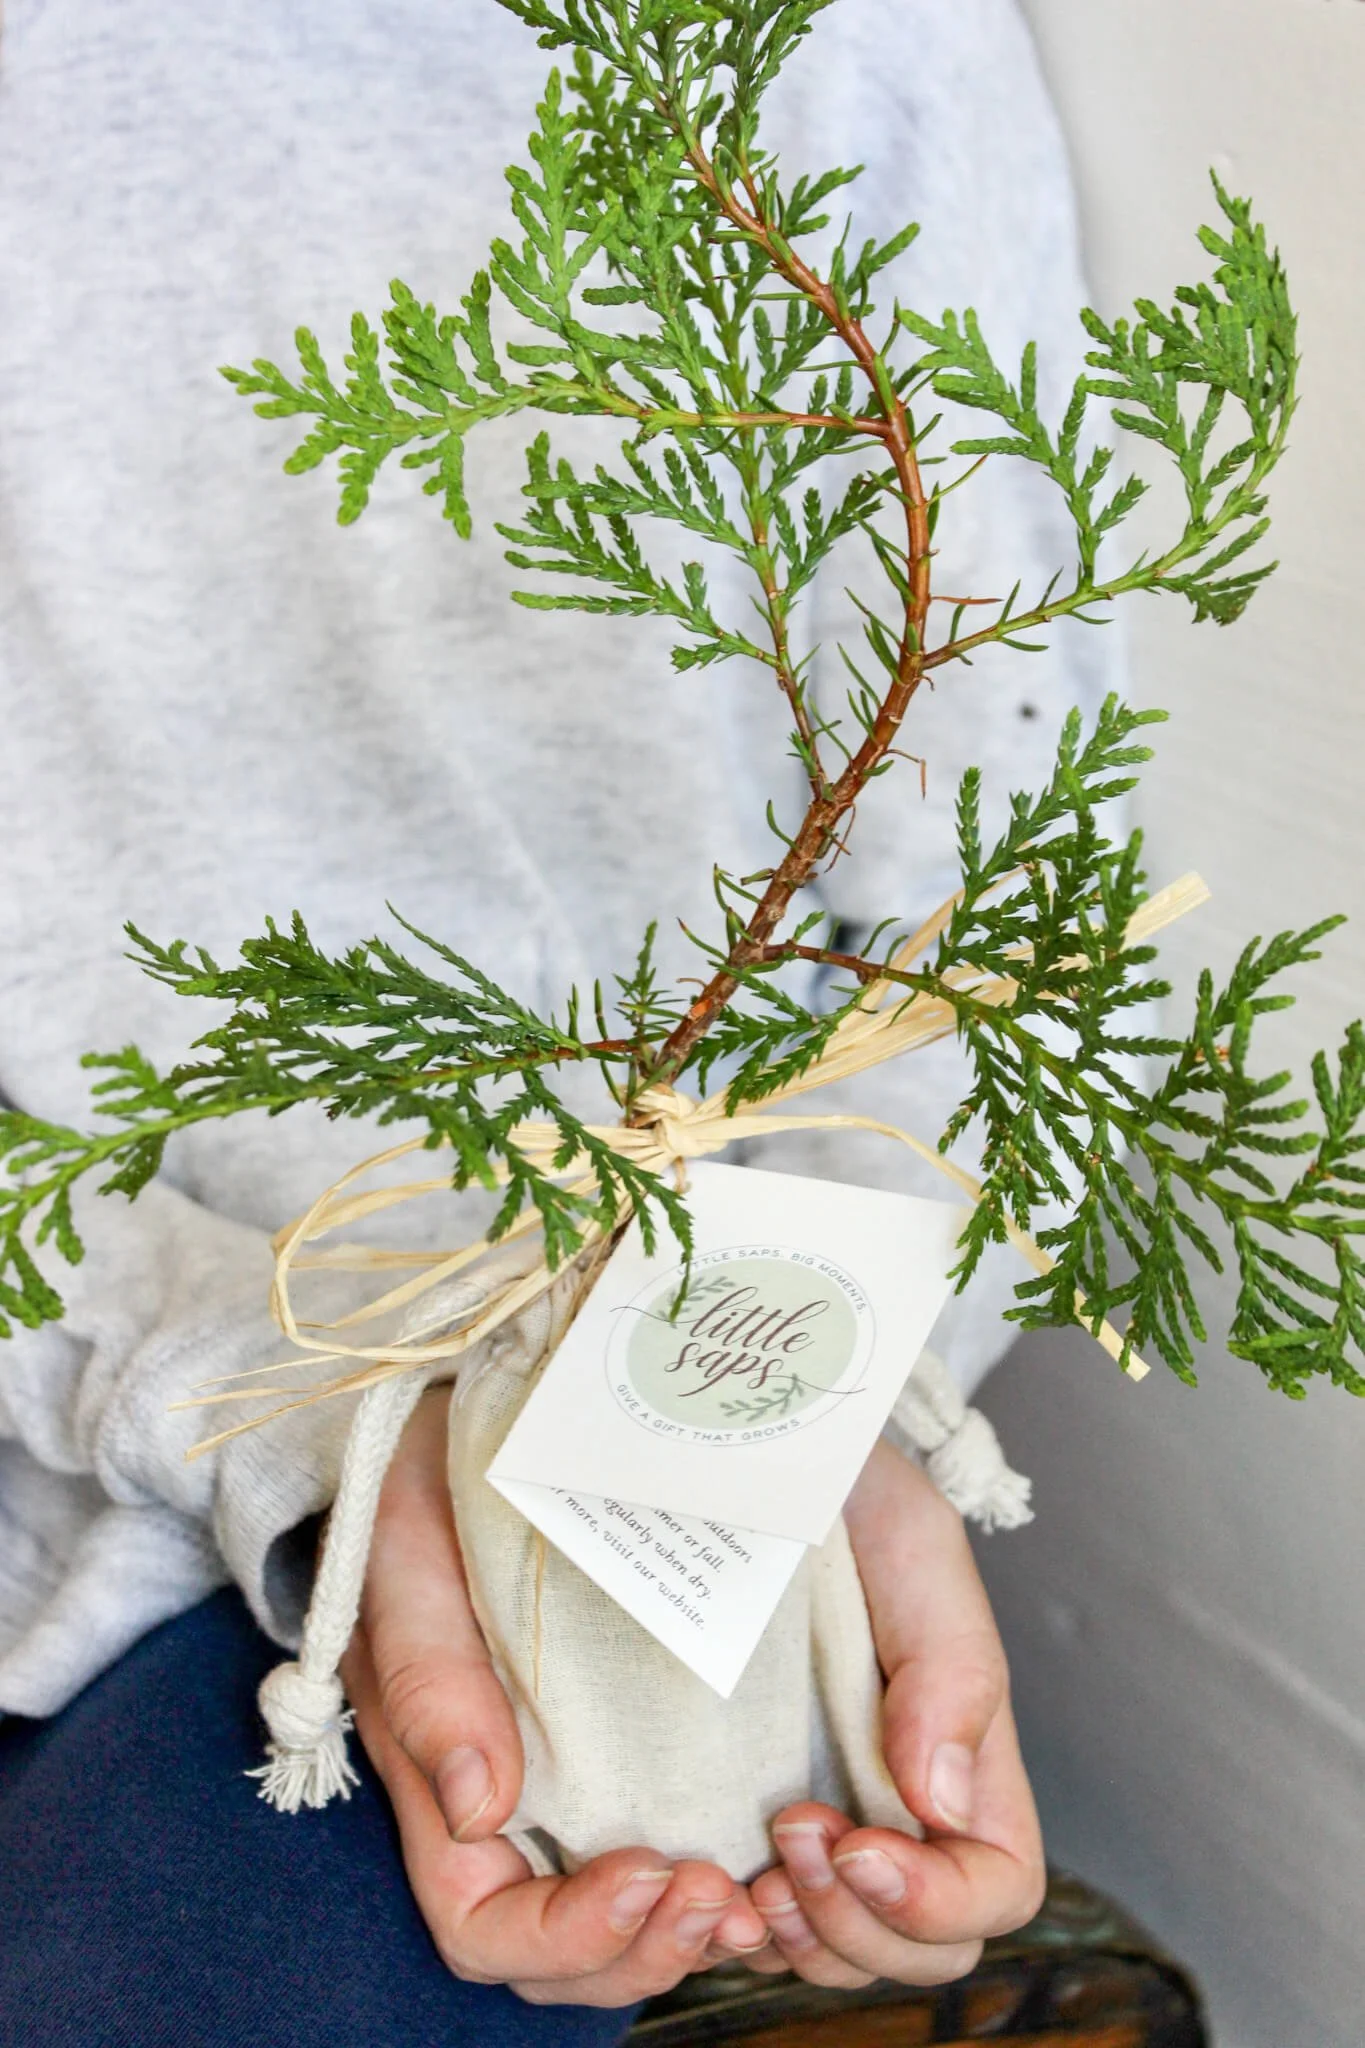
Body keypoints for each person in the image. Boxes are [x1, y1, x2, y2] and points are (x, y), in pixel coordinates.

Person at [0, 0, 1110, 2036]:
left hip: (506, 1501)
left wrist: (799, 1406)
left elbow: (978, 873)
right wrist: (241, 1369)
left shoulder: (852, 47)